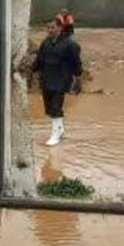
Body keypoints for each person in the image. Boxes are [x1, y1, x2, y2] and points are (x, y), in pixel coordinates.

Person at [31, 13, 83, 147]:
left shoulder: (70, 45)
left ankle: (55, 135)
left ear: (60, 28)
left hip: (61, 78)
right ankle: (60, 129)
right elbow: (39, 59)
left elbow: (76, 62)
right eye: (48, 28)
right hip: (47, 77)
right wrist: (32, 70)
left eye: (53, 28)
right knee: (49, 108)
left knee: (56, 106)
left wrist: (78, 79)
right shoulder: (45, 43)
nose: (50, 30)